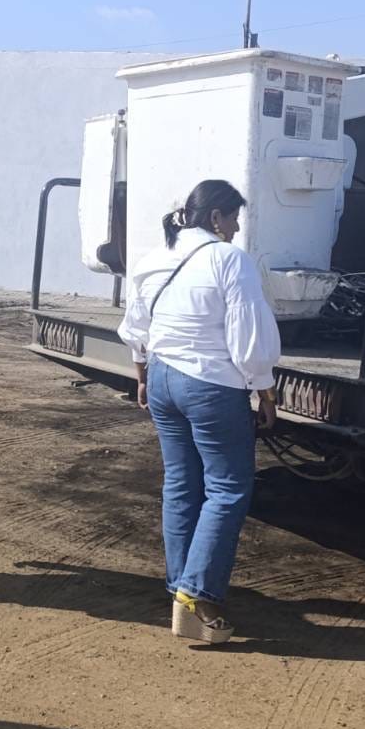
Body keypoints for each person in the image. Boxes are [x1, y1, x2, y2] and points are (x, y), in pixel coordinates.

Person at [117, 179, 280, 644]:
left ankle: (181, 590)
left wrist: (142, 376)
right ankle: (198, 594)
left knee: (181, 484)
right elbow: (248, 337)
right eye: (234, 219)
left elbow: (136, 326)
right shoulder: (229, 259)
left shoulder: (153, 258)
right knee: (227, 488)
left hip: (162, 378)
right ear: (215, 218)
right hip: (210, 385)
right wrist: (265, 390)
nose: (236, 229)